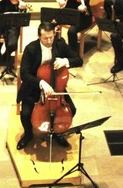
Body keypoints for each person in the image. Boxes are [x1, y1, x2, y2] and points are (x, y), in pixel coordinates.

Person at [15, 22, 83, 150]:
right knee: (26, 114)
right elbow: (24, 74)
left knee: (71, 110)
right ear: (39, 36)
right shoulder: (31, 48)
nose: (49, 41)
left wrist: (66, 61)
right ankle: (28, 135)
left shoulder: (60, 44)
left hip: (56, 87)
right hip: (35, 87)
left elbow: (79, 60)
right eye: (46, 38)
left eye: (51, 37)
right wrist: (40, 83)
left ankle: (57, 132)